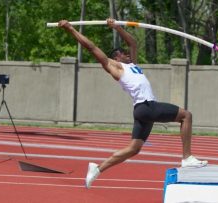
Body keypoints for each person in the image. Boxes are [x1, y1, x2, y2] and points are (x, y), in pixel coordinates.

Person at [58, 18, 208, 189]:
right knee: (186, 115)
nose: (128, 54)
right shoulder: (116, 67)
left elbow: (133, 42)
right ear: (116, 57)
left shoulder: (133, 65)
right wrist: (70, 29)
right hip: (146, 106)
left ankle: (97, 169)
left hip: (142, 111)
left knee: (134, 149)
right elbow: (91, 47)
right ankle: (187, 157)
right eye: (123, 53)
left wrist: (117, 27)